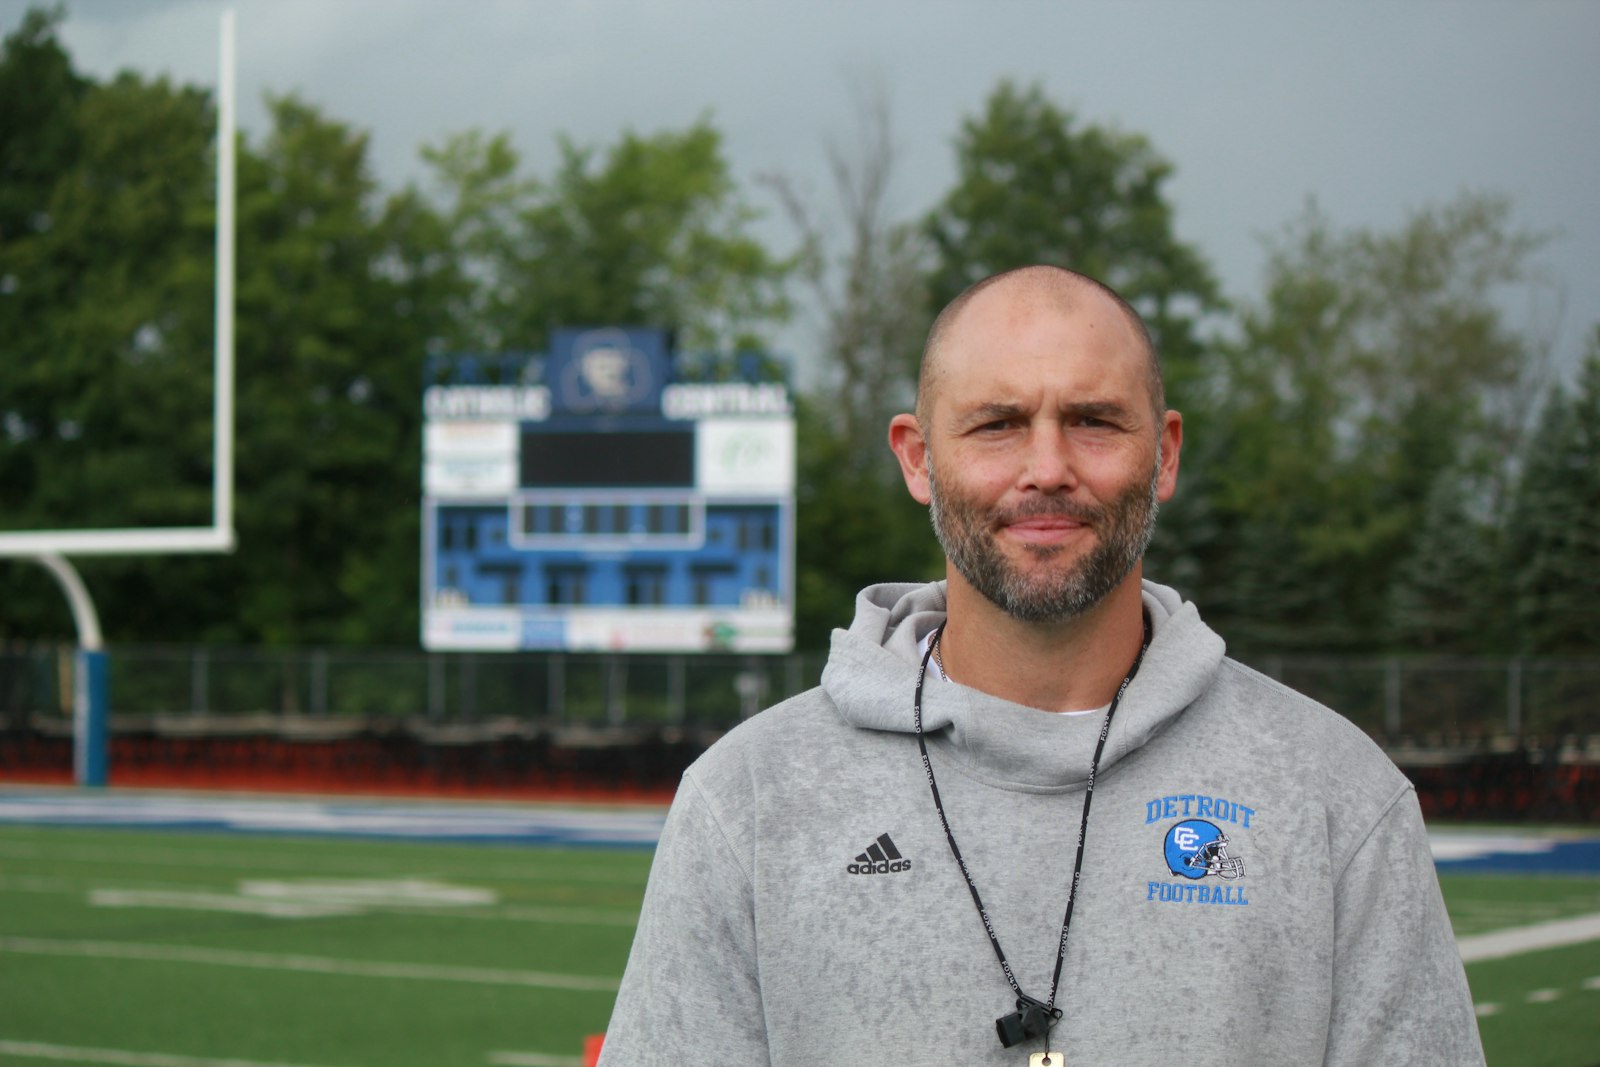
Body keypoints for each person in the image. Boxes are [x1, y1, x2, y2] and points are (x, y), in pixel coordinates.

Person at [598, 265, 1484, 1065]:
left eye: (1095, 421)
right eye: (998, 424)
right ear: (918, 458)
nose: (1048, 467)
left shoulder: (1334, 794)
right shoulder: (748, 798)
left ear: (1166, 452)